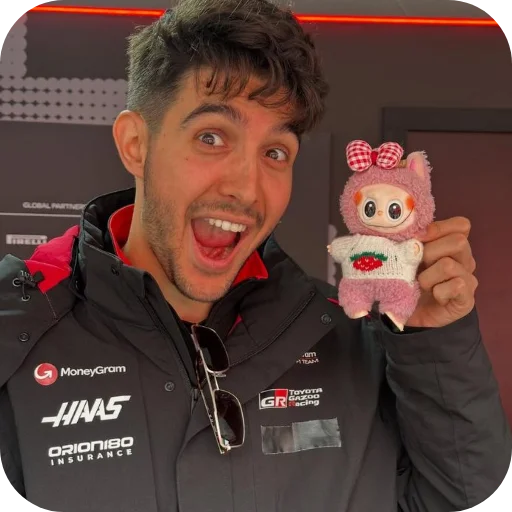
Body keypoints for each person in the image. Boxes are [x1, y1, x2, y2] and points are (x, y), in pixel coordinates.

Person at [0, 1, 510, 510]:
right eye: (211, 137)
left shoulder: (347, 338)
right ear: (136, 144)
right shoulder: (19, 336)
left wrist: (434, 342)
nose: (247, 189)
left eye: (275, 153)